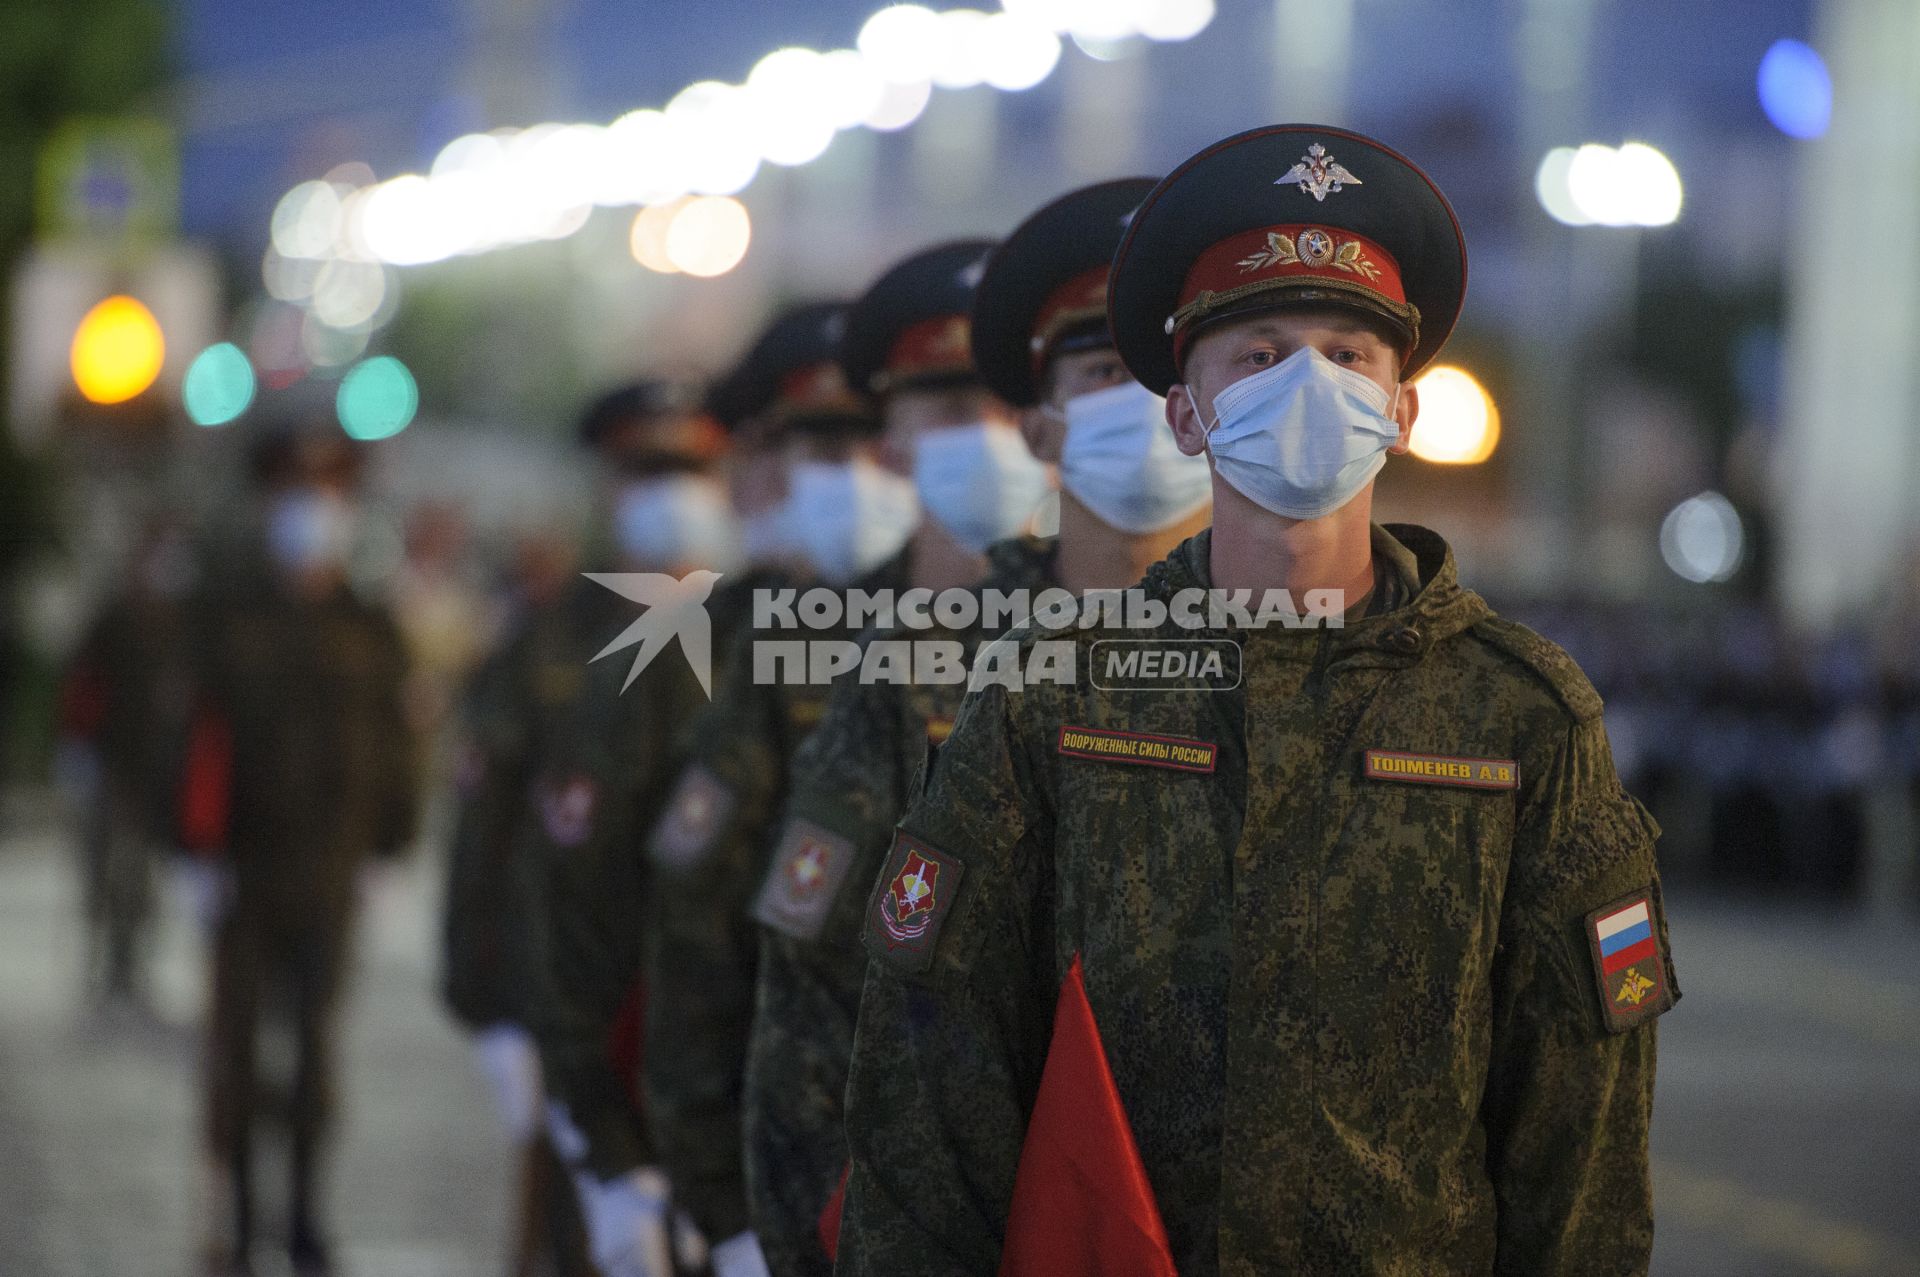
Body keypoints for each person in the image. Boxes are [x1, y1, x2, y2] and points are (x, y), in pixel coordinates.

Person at [838, 125, 1679, 1276]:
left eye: (1348, 352)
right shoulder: (1060, 686)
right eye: (1260, 352)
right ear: (1187, 415)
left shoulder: (1520, 716)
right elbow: (932, 1076)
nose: (1307, 385)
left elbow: (1582, 1129)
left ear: (1402, 409)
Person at [739, 178, 1218, 1277]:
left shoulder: (1287, 652)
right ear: (1042, 419)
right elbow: (812, 993)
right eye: (1104, 375)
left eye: (1158, 376)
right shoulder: (920, 657)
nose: (1139, 411)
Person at [642, 246, 1017, 1275]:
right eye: (943, 411)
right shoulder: (796, 646)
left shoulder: (1082, 645)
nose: (978, 442)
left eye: (997, 406)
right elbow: (721, 935)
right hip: (824, 1196)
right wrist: (720, 1198)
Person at [443, 380, 723, 1277]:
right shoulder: (552, 638)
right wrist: (484, 999)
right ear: (610, 483)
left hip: (710, 1023)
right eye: (648, 470)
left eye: (693, 469)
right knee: (572, 1237)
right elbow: (484, 824)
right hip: (575, 1007)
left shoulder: (759, 630)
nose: (671, 492)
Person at [192, 424, 417, 1277]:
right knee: (240, 1053)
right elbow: (195, 734)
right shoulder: (228, 612)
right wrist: (193, 850)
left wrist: (393, 845)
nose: (312, 512)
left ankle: (306, 1216)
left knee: (318, 1052)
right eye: (296, 494)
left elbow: (398, 744)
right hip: (244, 869)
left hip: (333, 867)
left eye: (328, 495)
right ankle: (242, 1217)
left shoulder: (370, 621)